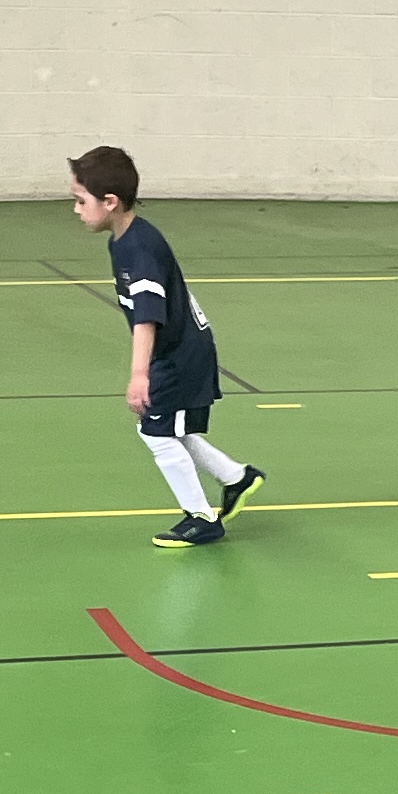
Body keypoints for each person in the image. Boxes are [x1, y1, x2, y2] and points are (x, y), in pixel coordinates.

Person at [69, 147, 262, 548]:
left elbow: (147, 317)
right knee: (169, 428)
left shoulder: (139, 249)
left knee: (156, 432)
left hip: (179, 356)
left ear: (110, 202)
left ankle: (201, 518)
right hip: (177, 352)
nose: (76, 209)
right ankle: (237, 478)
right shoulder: (124, 241)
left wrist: (139, 374)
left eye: (81, 200)